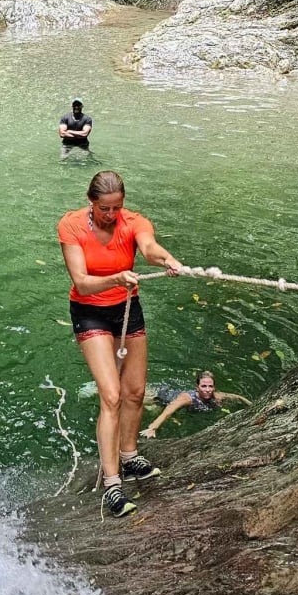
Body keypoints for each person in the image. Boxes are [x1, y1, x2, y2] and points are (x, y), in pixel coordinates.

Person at [58, 170, 184, 518]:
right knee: (111, 395)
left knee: (135, 391)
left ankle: (129, 456)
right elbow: (82, 283)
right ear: (91, 202)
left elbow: (149, 248)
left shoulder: (133, 221)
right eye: (104, 209)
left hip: (127, 307)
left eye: (117, 207)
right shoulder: (71, 226)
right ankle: (112, 483)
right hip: (90, 312)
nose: (111, 215)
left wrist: (168, 259)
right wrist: (116, 278)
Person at [140, 370, 249, 439]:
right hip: (161, 397)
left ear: (214, 387)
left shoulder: (217, 396)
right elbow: (168, 411)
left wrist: (251, 405)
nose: (207, 390)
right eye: (204, 386)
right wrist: (153, 427)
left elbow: (237, 397)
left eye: (210, 386)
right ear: (197, 387)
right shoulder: (187, 398)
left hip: (173, 396)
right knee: (138, 398)